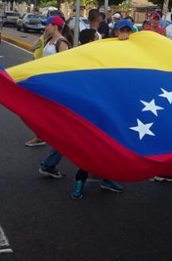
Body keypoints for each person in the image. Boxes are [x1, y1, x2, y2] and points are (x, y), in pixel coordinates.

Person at [70, 28, 124, 199]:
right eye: (97, 37)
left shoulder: (98, 56)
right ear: (92, 41)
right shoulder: (80, 59)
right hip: (89, 112)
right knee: (91, 149)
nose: (100, 39)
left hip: (103, 109)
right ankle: (80, 181)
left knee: (105, 148)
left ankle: (106, 179)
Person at [37, 15, 72, 179]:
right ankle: (49, 164)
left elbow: (64, 68)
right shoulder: (49, 41)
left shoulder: (61, 43)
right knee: (62, 131)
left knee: (65, 132)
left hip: (57, 91)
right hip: (47, 89)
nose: (45, 27)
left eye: (48, 25)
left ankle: (49, 164)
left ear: (56, 26)